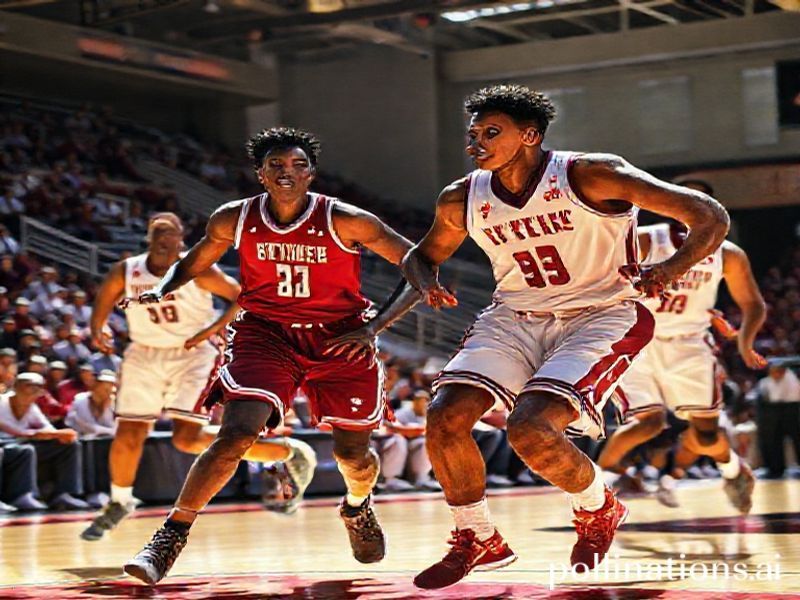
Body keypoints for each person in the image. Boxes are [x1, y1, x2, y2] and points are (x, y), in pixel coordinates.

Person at [398, 85, 730, 589]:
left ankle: (597, 506)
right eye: (473, 135)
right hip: (514, 315)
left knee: (530, 429)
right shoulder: (462, 197)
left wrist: (671, 266)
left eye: (491, 133)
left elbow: (709, 214)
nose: (476, 144)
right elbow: (420, 255)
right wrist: (426, 281)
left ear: (530, 135)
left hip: (601, 314)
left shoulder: (592, 174)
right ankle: (477, 536)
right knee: (445, 416)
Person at [123, 127, 420, 585]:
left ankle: (358, 506)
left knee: (353, 456)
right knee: (235, 433)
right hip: (267, 333)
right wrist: (162, 289)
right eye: (277, 166)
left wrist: (375, 326)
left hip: (339, 337)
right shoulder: (232, 219)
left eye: (298, 165)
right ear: (261, 173)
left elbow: (418, 262)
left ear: (311, 173)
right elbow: (198, 260)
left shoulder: (347, 219)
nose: (288, 173)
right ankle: (170, 535)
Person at [81, 212, 316, 541]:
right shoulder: (128, 270)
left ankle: (286, 452)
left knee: (186, 439)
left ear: (181, 240)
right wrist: (97, 326)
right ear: (148, 237)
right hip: (143, 352)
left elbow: (243, 296)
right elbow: (104, 299)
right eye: (158, 233)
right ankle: (119, 501)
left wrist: (213, 328)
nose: (164, 239)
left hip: (193, 354)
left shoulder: (198, 268)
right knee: (128, 432)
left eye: (171, 234)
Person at [598, 180, 766, 512]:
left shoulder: (728, 254)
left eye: (694, 198)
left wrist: (744, 341)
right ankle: (598, 491)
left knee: (705, 434)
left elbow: (754, 305)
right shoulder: (648, 239)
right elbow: (605, 274)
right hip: (641, 342)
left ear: (708, 207)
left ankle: (733, 470)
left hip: (690, 345)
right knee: (646, 422)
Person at [0, 372, 87, 510]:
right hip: (5, 445)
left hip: (19, 443)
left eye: (38, 387)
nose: (34, 391)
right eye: (29, 386)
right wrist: (35, 434)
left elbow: (48, 429)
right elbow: (9, 429)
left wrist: (60, 434)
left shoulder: (32, 407)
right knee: (26, 450)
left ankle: (63, 494)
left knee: (69, 445)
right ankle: (21, 496)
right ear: (16, 387)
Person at [376, 389, 439, 492]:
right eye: (419, 400)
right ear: (413, 402)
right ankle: (390, 480)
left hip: (412, 449)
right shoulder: (402, 413)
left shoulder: (429, 414)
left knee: (426, 442)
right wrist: (410, 430)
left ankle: (421, 478)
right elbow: (389, 426)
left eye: (425, 400)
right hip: (393, 444)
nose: (422, 402)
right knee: (398, 440)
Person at [753, 362, 800, 479]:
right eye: (771, 371)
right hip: (772, 414)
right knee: (772, 441)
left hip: (793, 412)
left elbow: (792, 399)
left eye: (776, 371)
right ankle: (775, 469)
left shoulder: (793, 380)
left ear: (783, 371)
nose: (773, 374)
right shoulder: (765, 382)